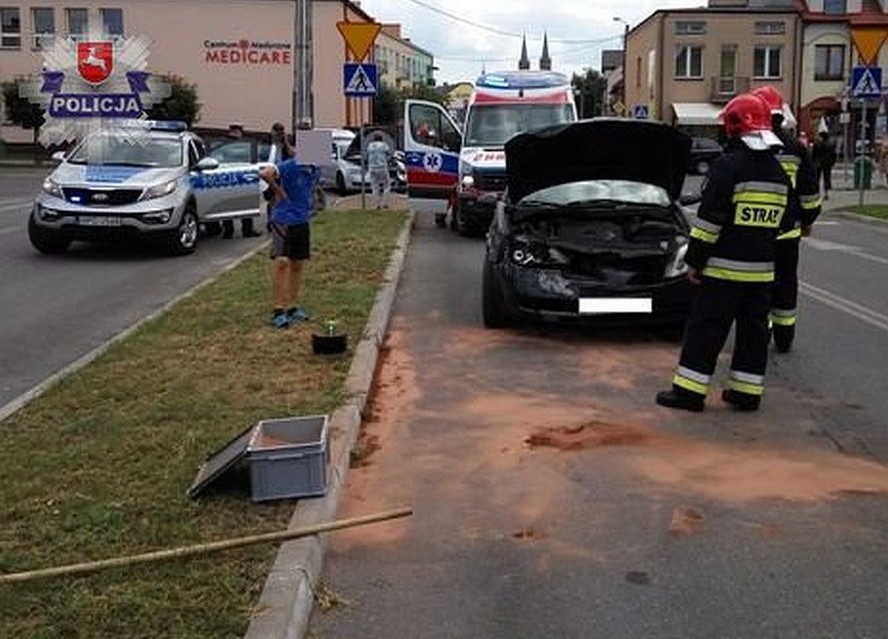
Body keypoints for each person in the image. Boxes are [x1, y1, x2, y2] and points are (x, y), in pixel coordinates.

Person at [656, 93, 791, 412]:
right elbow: (786, 222)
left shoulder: (727, 167)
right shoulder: (778, 172)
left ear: (732, 126)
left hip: (723, 271)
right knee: (753, 334)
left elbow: (708, 224)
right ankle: (746, 393)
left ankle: (689, 393)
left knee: (705, 330)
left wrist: (695, 263)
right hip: (762, 273)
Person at [752, 86, 822, 354]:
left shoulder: (750, 147)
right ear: (781, 115)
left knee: (758, 284)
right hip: (787, 231)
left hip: (755, 231)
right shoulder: (796, 148)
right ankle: (784, 334)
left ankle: (760, 331)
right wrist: (807, 220)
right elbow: (809, 192)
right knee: (786, 282)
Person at [259, 154, 321, 329]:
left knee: (297, 264)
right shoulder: (289, 166)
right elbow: (265, 173)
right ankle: (278, 310)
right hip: (283, 220)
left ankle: (293, 307)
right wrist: (279, 192)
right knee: (282, 262)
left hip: (302, 220)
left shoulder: (315, 170)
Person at [222, 123, 261, 239]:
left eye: (237, 132)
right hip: (230, 177)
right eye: (234, 132)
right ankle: (231, 230)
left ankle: (244, 230)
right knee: (229, 204)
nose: (236, 134)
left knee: (244, 204)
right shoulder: (234, 145)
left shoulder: (243, 145)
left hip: (241, 177)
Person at [365, 133, 392, 210]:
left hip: (372, 168)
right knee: (387, 186)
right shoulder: (383, 145)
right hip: (382, 167)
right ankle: (384, 203)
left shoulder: (370, 146)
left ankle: (377, 205)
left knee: (374, 187)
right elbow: (389, 153)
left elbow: (366, 156)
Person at [811, 130, 837, 199]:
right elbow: (833, 155)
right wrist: (832, 163)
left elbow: (813, 154)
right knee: (827, 178)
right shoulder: (830, 145)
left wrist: (813, 162)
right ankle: (826, 193)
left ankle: (817, 192)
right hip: (827, 164)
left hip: (818, 164)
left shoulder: (817, 144)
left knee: (817, 179)